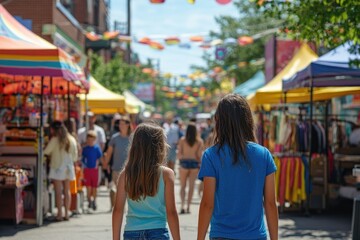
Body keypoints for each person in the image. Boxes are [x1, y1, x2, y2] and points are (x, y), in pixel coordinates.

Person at [197, 94, 278, 240]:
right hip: (255, 236)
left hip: (221, 235)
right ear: (248, 120)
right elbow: (271, 203)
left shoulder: (211, 155)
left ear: (219, 121)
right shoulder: (264, 155)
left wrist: (199, 238)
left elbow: (207, 204)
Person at [112, 123, 180, 240]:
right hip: (158, 231)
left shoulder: (125, 174)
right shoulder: (167, 174)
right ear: (160, 146)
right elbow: (172, 212)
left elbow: (118, 210)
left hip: (132, 232)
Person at [44, 121, 78, 221]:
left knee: (58, 192)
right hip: (68, 167)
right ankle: (66, 213)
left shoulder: (55, 140)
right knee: (67, 191)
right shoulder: (72, 139)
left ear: (53, 129)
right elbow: (75, 156)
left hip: (57, 167)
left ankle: (59, 214)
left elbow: (46, 151)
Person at [104, 115, 132, 208]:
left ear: (128, 125)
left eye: (123, 124)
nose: (121, 126)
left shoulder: (132, 138)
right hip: (116, 168)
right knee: (117, 189)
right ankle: (118, 207)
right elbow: (109, 152)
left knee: (129, 189)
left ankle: (129, 207)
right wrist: (105, 164)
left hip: (130, 168)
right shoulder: (114, 138)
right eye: (120, 124)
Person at [177, 122, 204, 214]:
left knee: (183, 186)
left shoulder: (182, 140)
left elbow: (179, 154)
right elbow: (199, 155)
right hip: (194, 164)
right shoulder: (199, 141)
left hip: (184, 163)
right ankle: (188, 206)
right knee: (191, 186)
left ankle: (182, 205)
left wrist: (182, 158)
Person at [82, 130, 102, 211]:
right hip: (87, 170)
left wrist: (98, 165)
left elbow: (99, 157)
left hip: (95, 170)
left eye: (92, 140)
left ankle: (94, 200)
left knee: (94, 187)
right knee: (88, 187)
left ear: (94, 140)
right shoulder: (85, 149)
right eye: (88, 140)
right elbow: (83, 159)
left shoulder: (96, 148)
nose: (90, 141)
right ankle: (89, 200)